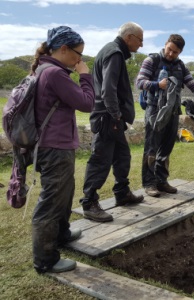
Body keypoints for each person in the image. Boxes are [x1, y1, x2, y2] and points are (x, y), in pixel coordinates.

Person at [31, 26, 95, 273]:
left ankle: (61, 234)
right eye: (78, 54)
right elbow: (86, 103)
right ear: (64, 49)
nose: (79, 60)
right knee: (51, 201)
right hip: (54, 146)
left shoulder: (44, 70)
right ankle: (45, 260)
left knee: (63, 194)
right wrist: (85, 76)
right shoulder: (55, 74)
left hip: (53, 144)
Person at [136, 34, 194, 197]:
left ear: (180, 52)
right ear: (165, 44)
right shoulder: (151, 61)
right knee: (151, 148)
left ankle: (162, 181)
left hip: (173, 111)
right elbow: (139, 82)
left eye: (175, 52)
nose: (170, 54)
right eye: (169, 50)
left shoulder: (180, 66)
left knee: (166, 148)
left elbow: (193, 84)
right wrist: (156, 85)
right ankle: (149, 183)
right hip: (154, 111)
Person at [80, 22, 144, 222]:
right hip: (108, 118)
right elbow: (108, 90)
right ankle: (89, 203)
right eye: (140, 40)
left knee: (122, 155)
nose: (141, 45)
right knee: (100, 160)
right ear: (129, 37)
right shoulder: (115, 53)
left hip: (110, 118)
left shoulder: (111, 50)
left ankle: (122, 192)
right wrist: (116, 115)